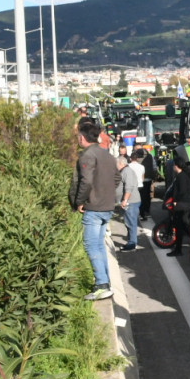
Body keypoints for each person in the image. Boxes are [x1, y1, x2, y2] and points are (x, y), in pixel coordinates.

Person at [69, 122, 120, 300]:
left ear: (82, 138)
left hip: (94, 208)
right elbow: (116, 177)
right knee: (99, 246)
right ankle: (105, 282)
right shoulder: (106, 154)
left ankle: (101, 285)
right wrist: (106, 193)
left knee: (91, 245)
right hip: (107, 206)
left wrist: (80, 201)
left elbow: (86, 181)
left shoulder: (87, 155)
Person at [119, 151, 144, 252]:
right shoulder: (126, 170)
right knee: (129, 222)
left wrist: (125, 200)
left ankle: (132, 243)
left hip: (131, 201)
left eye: (117, 164)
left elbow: (129, 187)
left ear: (121, 163)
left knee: (131, 222)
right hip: (132, 200)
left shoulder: (127, 171)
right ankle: (131, 242)